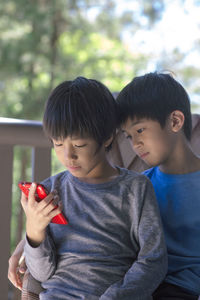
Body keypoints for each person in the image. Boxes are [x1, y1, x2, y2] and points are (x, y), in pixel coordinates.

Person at [13, 76, 167, 300]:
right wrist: (35, 233)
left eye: (79, 145)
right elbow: (41, 274)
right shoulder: (51, 191)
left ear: (106, 137)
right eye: (57, 143)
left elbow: (154, 261)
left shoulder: (136, 189)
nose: (68, 156)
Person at [116, 71, 200, 300]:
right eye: (128, 136)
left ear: (175, 121)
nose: (135, 144)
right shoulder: (139, 185)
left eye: (140, 130)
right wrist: (32, 238)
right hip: (140, 285)